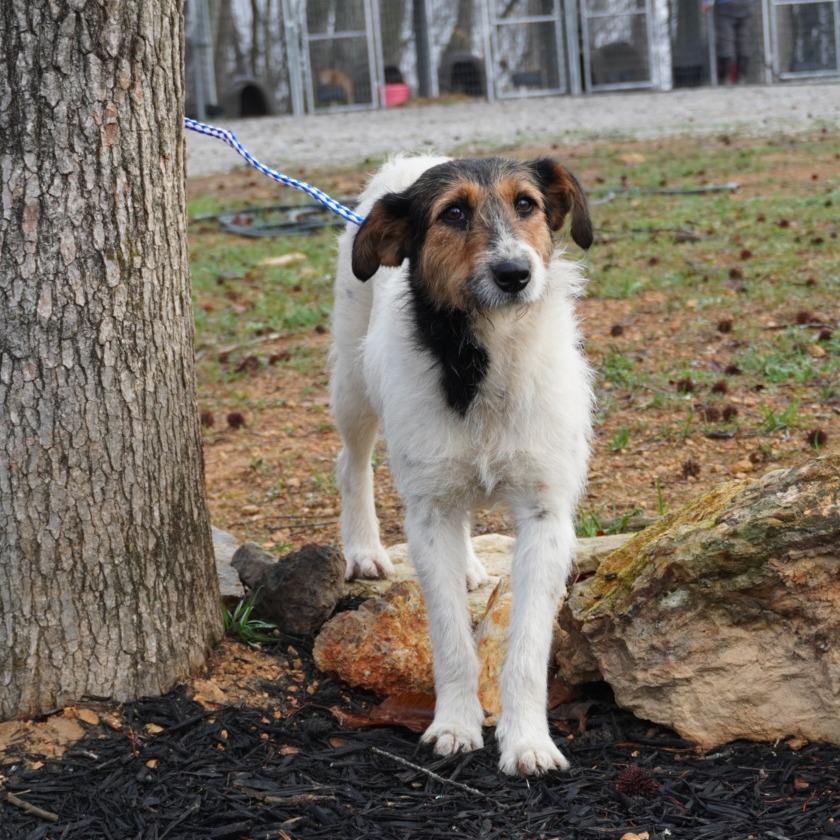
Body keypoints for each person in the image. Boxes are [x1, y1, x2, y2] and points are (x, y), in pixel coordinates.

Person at [702, 0, 753, 83]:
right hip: (745, 4)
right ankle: (742, 77)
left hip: (725, 5)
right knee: (743, 41)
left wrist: (706, 2)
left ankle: (726, 78)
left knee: (725, 41)